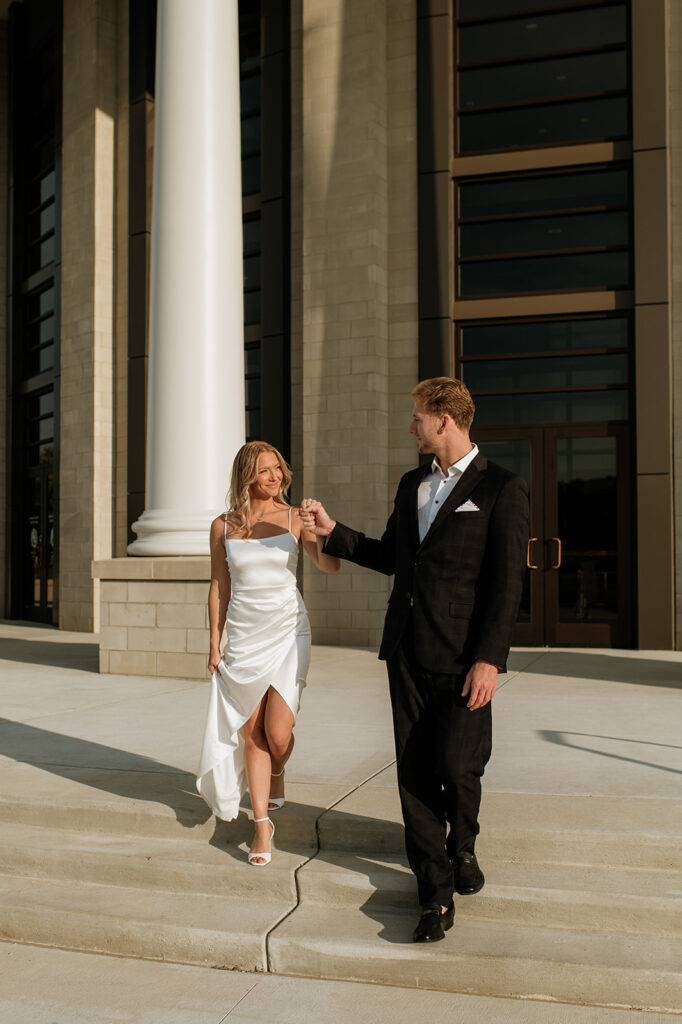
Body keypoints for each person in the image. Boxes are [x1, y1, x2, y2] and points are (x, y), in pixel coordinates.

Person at [301, 377, 529, 941]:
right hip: (406, 649)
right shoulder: (412, 485)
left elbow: (505, 586)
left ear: (445, 420)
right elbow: (392, 556)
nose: (412, 427)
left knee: (458, 765)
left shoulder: (502, 488)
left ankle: (463, 845)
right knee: (416, 773)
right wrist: (334, 534)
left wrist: (490, 660)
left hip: (464, 656)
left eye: (418, 418)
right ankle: (434, 896)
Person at [196, 441, 340, 866]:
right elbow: (219, 585)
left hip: (288, 633)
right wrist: (213, 643)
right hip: (243, 638)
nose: (274, 477)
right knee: (252, 733)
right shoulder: (223, 525)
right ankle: (261, 826)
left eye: (277, 468)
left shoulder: (297, 518)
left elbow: (329, 567)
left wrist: (323, 531)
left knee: (278, 733)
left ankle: (278, 769)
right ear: (246, 477)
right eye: (264, 471)